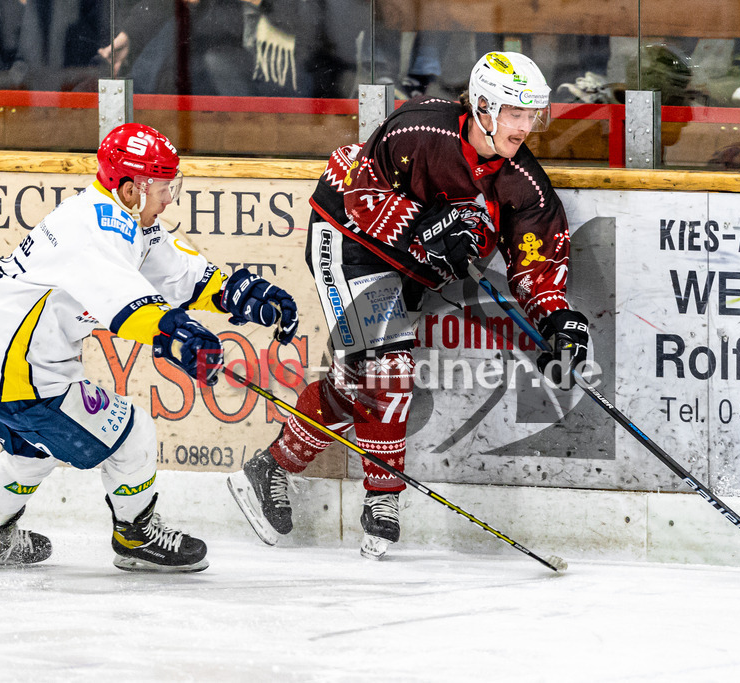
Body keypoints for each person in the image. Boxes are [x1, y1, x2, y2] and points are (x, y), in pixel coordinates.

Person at [228, 51, 589, 559]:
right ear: (483, 107)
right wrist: (429, 229)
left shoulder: (523, 185)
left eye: (533, 115)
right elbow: (361, 194)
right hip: (349, 239)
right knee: (386, 368)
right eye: (515, 113)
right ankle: (383, 500)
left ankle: (270, 468)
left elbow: (536, 263)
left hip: (408, 270)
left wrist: (559, 321)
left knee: (357, 382)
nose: (526, 127)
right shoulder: (421, 128)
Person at [0, 123, 299, 572]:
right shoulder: (96, 228)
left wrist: (244, 294)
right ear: (133, 188)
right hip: (19, 371)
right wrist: (178, 334)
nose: (170, 197)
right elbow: (127, 305)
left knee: (34, 450)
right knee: (131, 432)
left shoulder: (118, 215)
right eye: (163, 187)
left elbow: (178, 275)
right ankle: (134, 536)